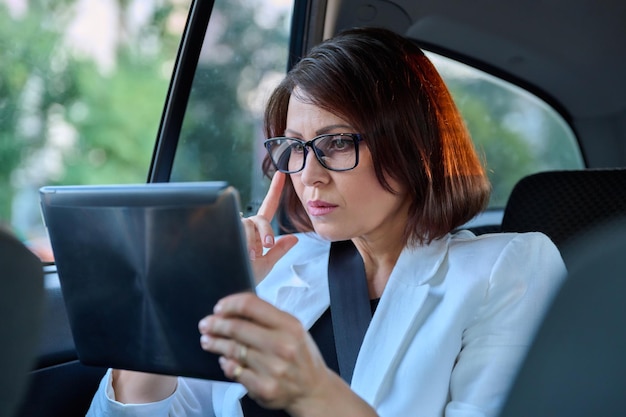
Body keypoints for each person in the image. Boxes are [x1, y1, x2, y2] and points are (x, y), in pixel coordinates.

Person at [86, 27, 566, 417]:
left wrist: (316, 395)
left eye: (336, 143)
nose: (308, 175)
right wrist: (180, 301)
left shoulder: (508, 270)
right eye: (293, 147)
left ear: (412, 147)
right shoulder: (279, 268)